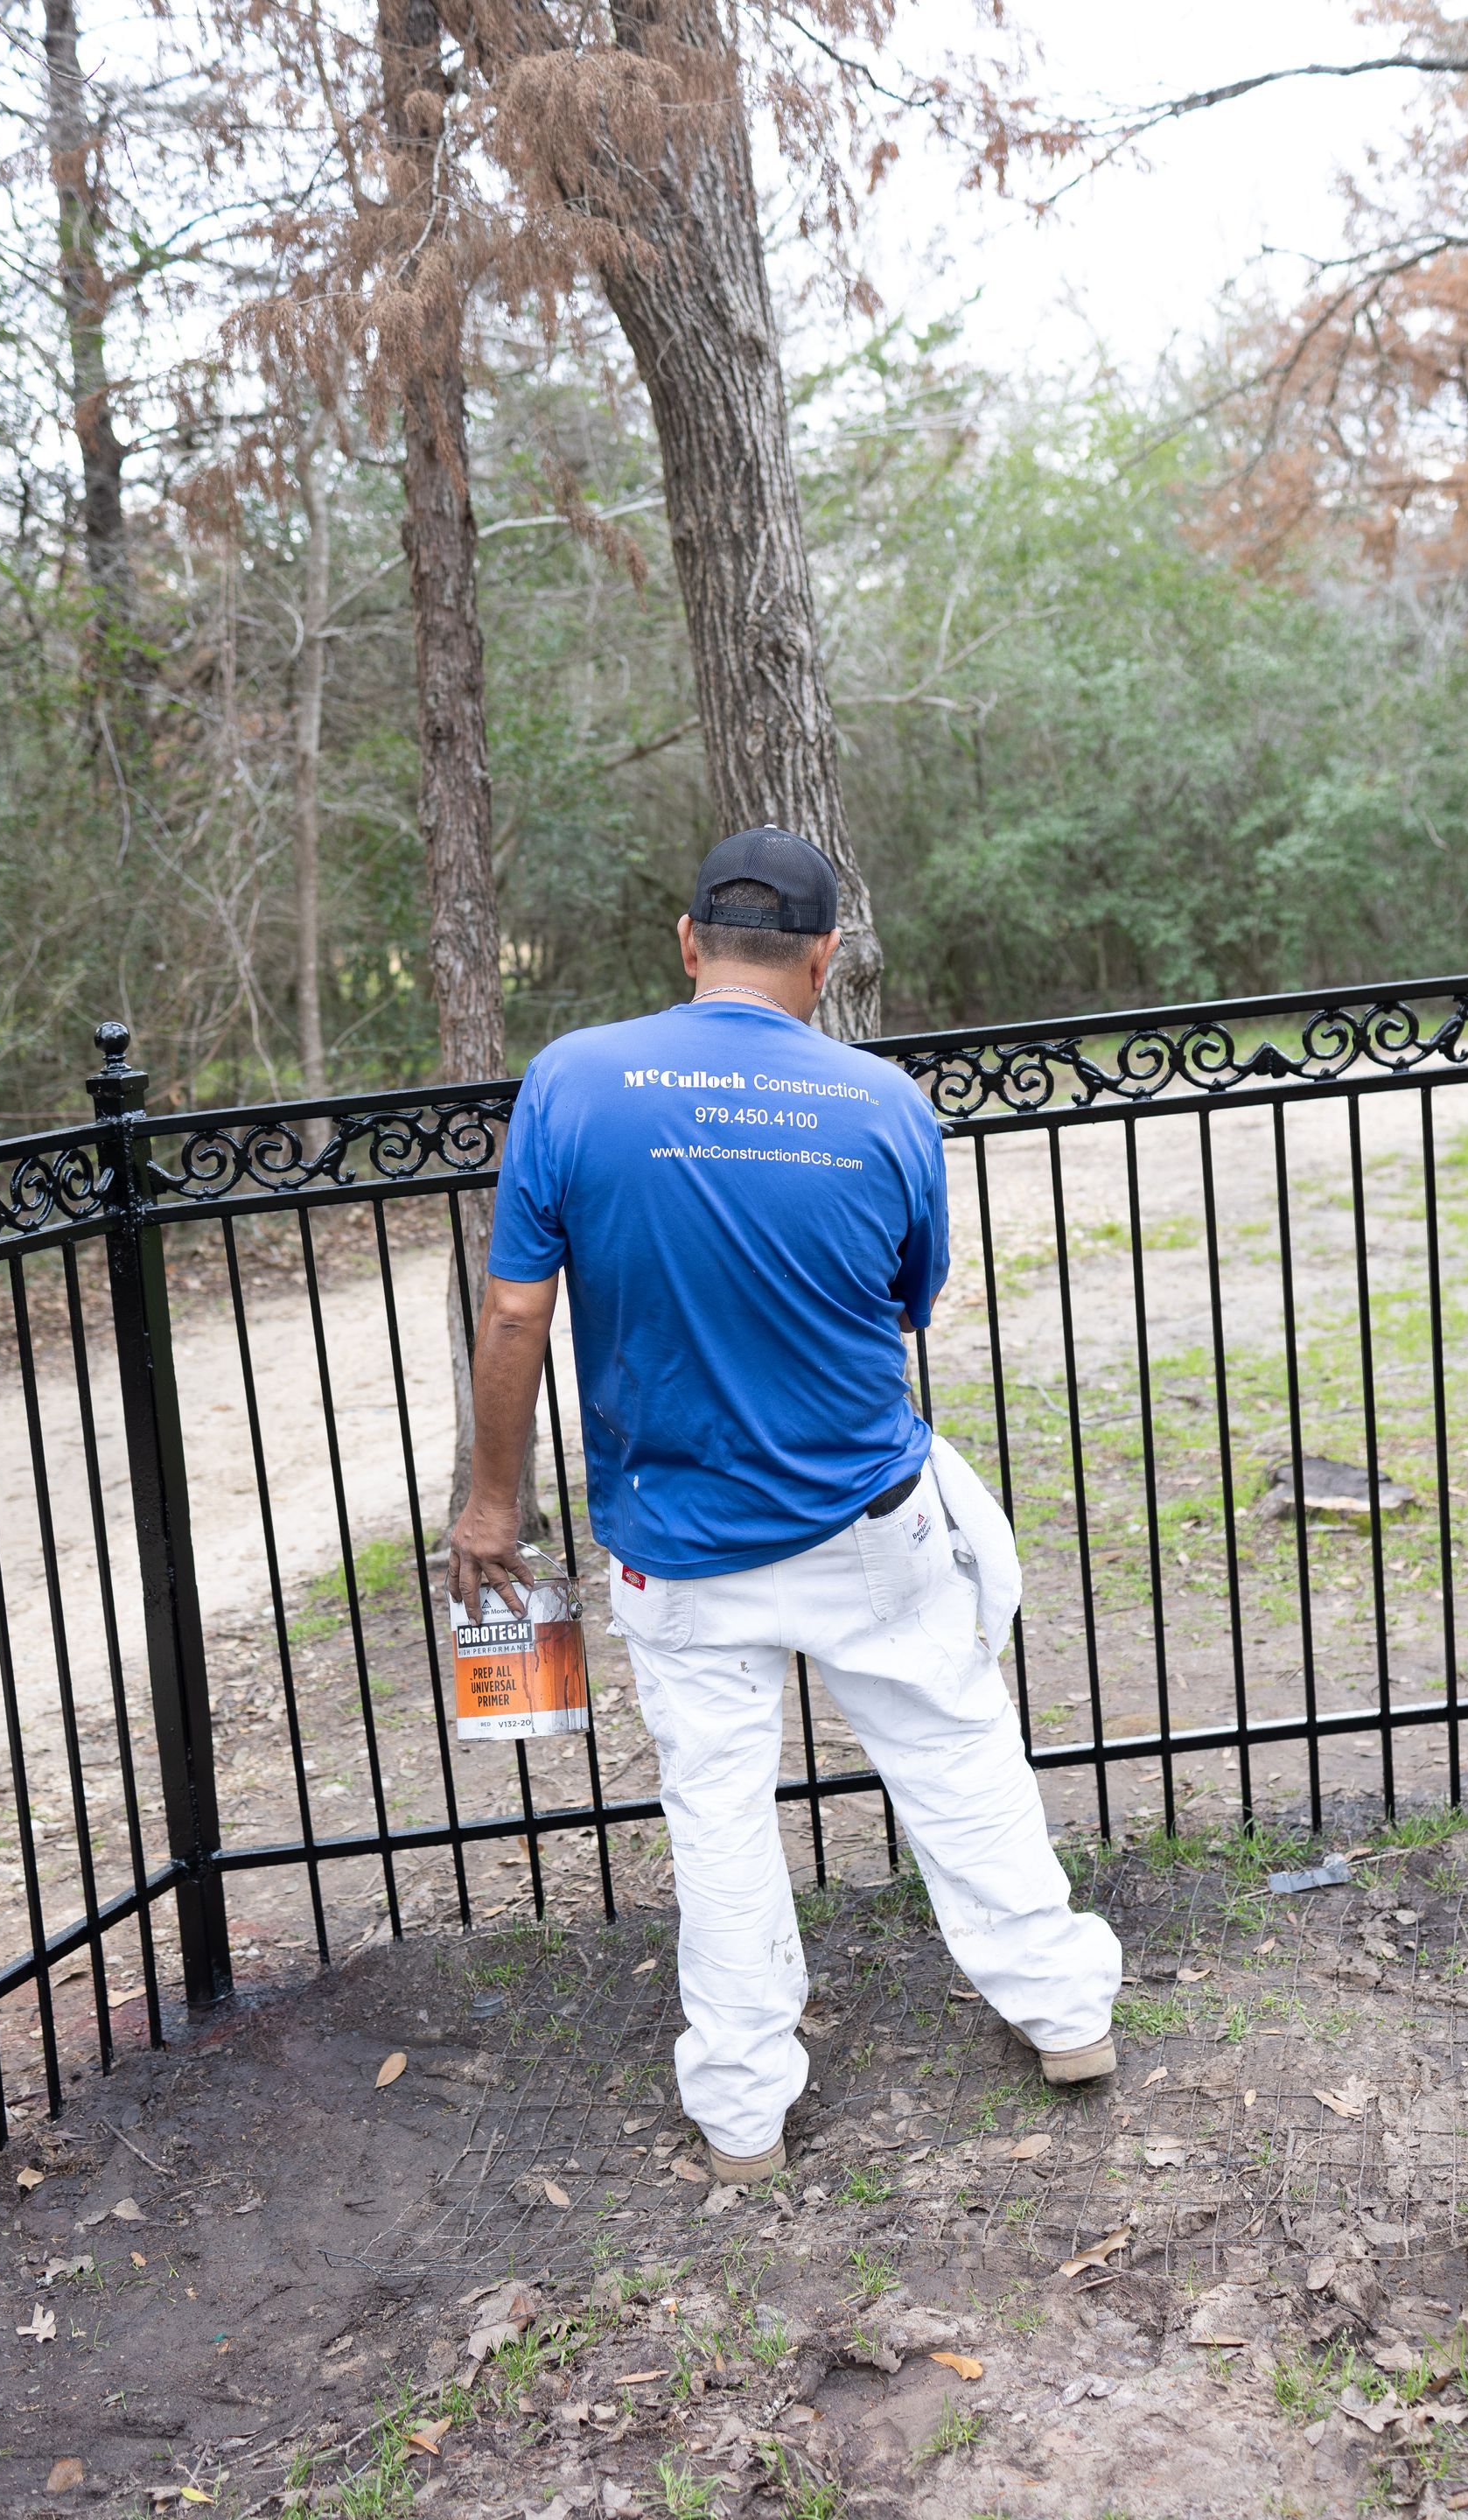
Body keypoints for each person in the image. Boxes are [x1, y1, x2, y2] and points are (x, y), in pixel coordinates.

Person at [447, 827, 1122, 2183]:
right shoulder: (885, 1105)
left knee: (717, 1809)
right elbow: (906, 1301)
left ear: (689, 944)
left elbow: (518, 1307)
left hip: (676, 1545)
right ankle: (1065, 2019)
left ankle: (743, 2115)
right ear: (823, 959)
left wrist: (487, 1508)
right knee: (956, 1755)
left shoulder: (573, 1080)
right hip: (866, 1518)